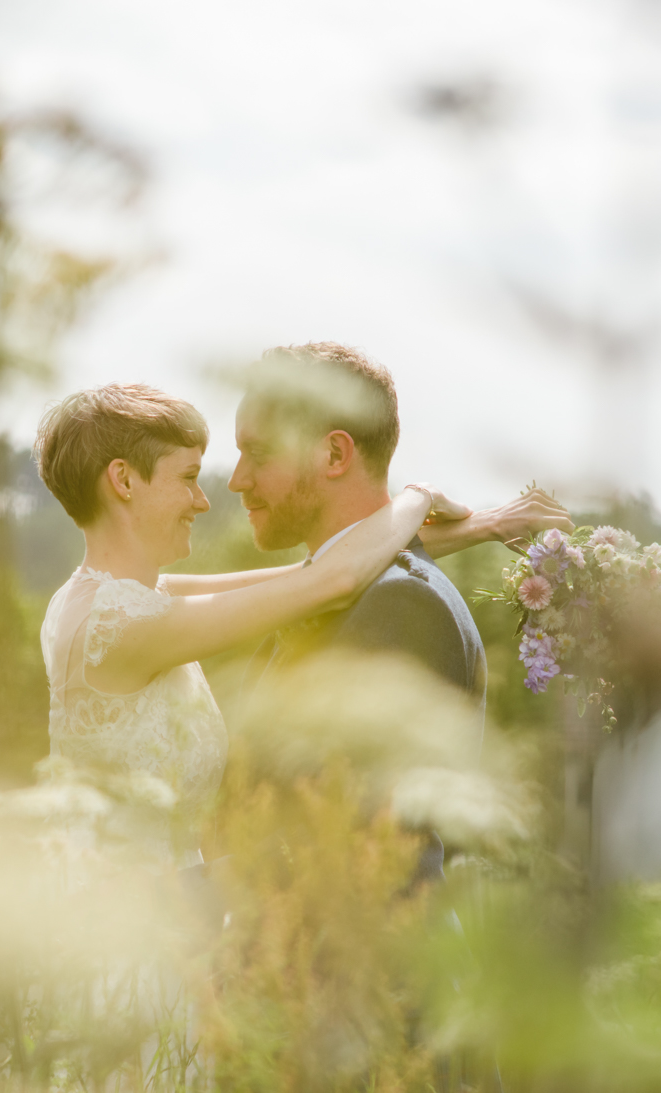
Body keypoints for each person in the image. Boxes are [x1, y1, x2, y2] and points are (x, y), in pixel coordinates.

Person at [32, 380, 568, 869]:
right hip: (131, 938)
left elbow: (311, 570)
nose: (204, 498)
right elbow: (331, 579)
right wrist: (419, 494)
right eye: (190, 478)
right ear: (123, 480)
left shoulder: (110, 601)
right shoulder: (119, 628)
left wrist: (487, 525)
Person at [229, 341, 572, 879]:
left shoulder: (400, 603)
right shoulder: (324, 586)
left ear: (335, 455)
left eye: (260, 454)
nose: (237, 479)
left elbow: (376, 854)